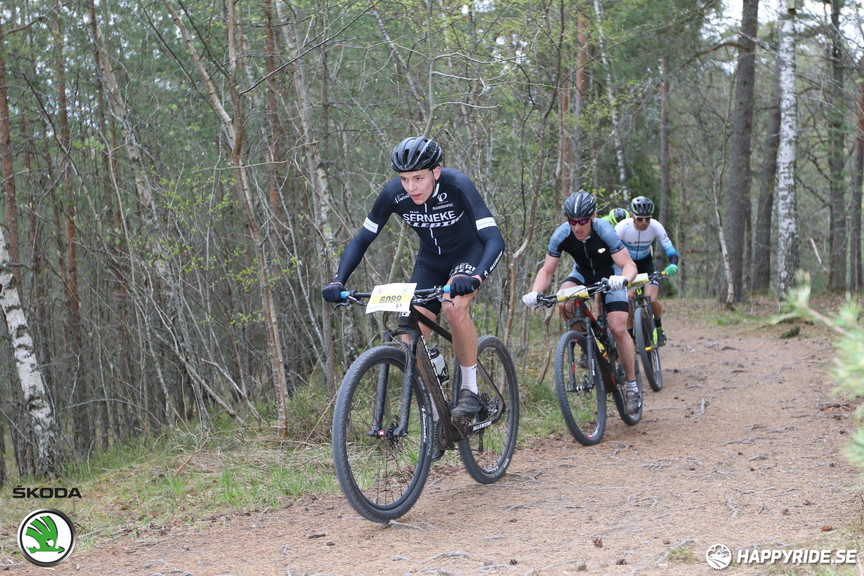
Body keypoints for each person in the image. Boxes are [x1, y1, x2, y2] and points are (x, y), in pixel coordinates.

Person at [321, 136, 506, 420]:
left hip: (468, 256)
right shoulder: (393, 194)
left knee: (453, 307)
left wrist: (477, 277)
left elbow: (494, 239)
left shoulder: (458, 186)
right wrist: (338, 281)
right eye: (405, 179)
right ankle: (436, 416)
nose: (411, 188)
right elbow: (362, 239)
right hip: (430, 262)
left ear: (436, 172)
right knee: (409, 339)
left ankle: (470, 391)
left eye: (418, 178)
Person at [521, 190, 641, 413]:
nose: (577, 227)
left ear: (593, 217)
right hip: (583, 273)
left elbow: (629, 265)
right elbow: (547, 270)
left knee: (618, 326)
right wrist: (535, 292)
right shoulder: (561, 235)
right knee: (564, 303)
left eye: (583, 221)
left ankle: (632, 386)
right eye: (572, 221)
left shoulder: (605, 231)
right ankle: (587, 344)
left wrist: (623, 280)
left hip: (611, 273)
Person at [614, 195, 679, 346]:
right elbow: (610, 249)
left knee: (652, 299)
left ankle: (658, 328)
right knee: (629, 298)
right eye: (640, 219)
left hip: (646, 264)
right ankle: (629, 336)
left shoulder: (656, 226)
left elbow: (669, 248)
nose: (644, 223)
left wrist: (673, 264)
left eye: (647, 219)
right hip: (627, 265)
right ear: (632, 216)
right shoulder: (622, 227)